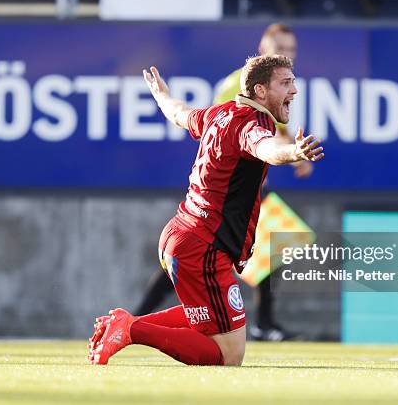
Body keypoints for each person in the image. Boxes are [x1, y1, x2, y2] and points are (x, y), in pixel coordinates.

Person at [88, 54, 324, 367]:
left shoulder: (220, 113)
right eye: (285, 83)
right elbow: (266, 148)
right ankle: (130, 329)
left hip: (184, 236)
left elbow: (179, 113)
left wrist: (161, 95)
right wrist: (293, 151)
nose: (294, 90)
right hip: (203, 247)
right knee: (229, 355)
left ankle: (125, 324)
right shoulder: (250, 125)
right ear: (260, 91)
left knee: (208, 319)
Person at [133, 23, 313, 342]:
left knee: (264, 246)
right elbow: (251, 136)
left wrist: (292, 152)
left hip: (239, 181)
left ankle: (142, 316)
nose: (288, 56)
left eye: (292, 50)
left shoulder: (274, 92)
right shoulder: (240, 87)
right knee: (224, 249)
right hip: (232, 182)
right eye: (281, 50)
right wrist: (288, 152)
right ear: (264, 52)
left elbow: (188, 115)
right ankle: (263, 322)